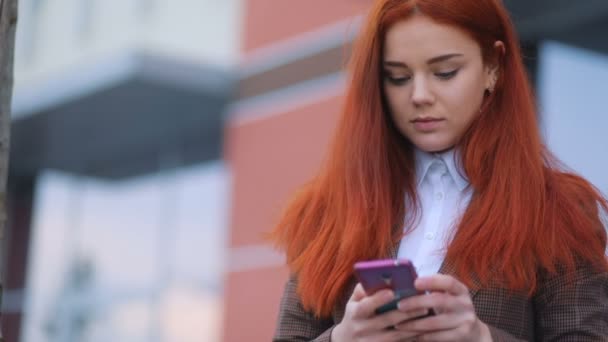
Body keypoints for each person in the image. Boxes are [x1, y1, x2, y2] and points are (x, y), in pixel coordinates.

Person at [270, 0, 608, 341]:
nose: (419, 95)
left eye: (445, 72)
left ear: (493, 66)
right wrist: (341, 339)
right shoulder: (326, 210)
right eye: (397, 78)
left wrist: (480, 338)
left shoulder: (557, 208)